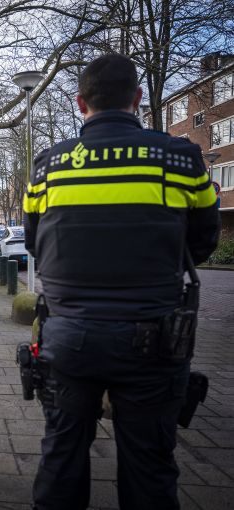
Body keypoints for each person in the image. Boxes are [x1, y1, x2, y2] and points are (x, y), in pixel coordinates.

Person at [23, 54, 220, 510]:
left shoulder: (48, 167)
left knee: (62, 457)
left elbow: (36, 244)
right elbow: (203, 241)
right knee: (150, 468)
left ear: (79, 103)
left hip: (68, 338)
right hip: (153, 341)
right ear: (136, 99)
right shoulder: (179, 158)